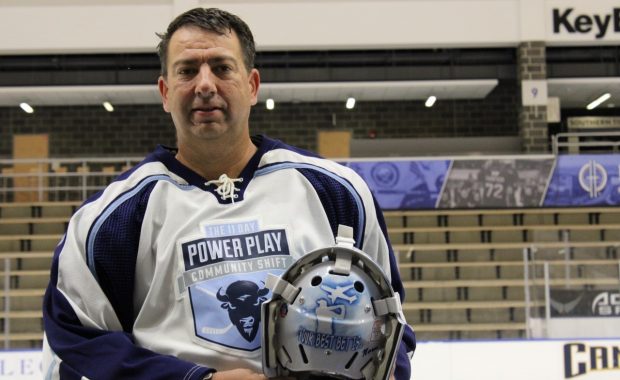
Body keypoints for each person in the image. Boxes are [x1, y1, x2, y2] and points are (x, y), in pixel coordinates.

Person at [42, 7, 416, 380]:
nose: (205, 85)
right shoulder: (109, 220)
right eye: (187, 71)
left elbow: (390, 327)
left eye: (222, 68)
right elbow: (77, 346)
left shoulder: (337, 192)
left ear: (252, 86)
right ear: (165, 92)